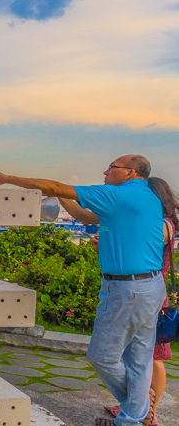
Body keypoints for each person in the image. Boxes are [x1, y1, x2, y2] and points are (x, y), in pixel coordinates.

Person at [0, 154, 165, 426]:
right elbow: (82, 215)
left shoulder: (118, 196)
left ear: (129, 172)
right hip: (150, 286)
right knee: (139, 358)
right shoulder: (148, 198)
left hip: (127, 289)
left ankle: (136, 408)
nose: (105, 171)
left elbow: (57, 187)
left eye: (111, 167)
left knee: (101, 356)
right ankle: (132, 419)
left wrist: (9, 179)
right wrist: (56, 196)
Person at [94, 177, 179, 426]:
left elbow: (143, 246)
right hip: (144, 292)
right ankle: (134, 408)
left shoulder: (163, 224)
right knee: (136, 356)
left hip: (149, 292)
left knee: (153, 357)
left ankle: (145, 409)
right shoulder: (155, 221)